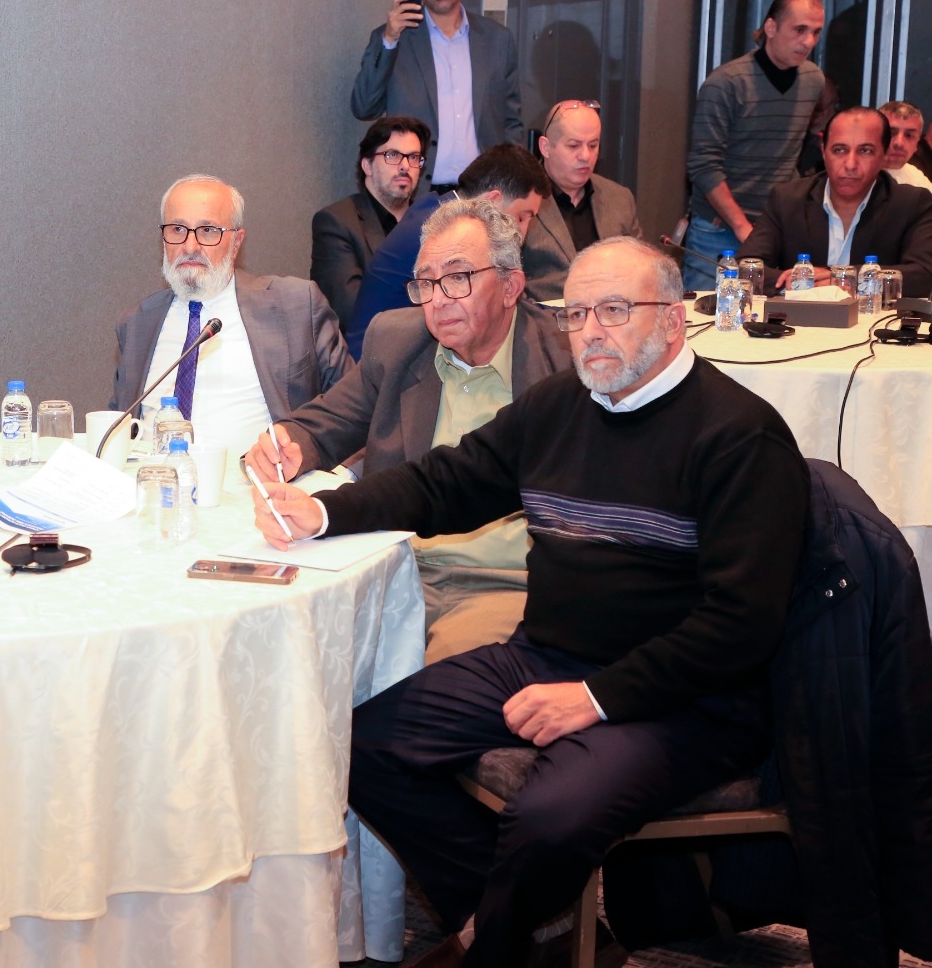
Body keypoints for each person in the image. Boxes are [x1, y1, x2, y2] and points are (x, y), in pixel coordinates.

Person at [252, 237, 809, 966]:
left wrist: (596, 698)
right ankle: (530, 931)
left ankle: (502, 940)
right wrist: (324, 512)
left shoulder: (739, 435)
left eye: (615, 310)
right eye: (576, 313)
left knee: (548, 815)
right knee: (364, 745)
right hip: (546, 655)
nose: (591, 332)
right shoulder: (559, 406)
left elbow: (742, 624)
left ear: (673, 321)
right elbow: (446, 483)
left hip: (690, 700)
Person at [247, 198, 569, 663]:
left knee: (435, 688)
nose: (438, 299)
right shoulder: (398, 340)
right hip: (391, 570)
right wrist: (288, 444)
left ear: (510, 286)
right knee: (288, 659)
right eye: (426, 282)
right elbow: (323, 424)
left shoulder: (564, 358)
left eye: (458, 277)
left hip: (499, 587)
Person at [109, 174, 352, 459]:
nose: (190, 246)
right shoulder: (137, 323)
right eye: (177, 229)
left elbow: (351, 409)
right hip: (155, 480)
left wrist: (340, 475)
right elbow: (117, 425)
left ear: (236, 242)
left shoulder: (296, 306)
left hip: (257, 481)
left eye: (208, 230)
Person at [349, 0, 523, 191]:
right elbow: (364, 108)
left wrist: (511, 181)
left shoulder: (498, 40)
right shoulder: (395, 40)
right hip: (417, 194)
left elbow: (511, 121)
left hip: (482, 193)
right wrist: (389, 40)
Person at [684, 0, 826, 289]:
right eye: (800, 30)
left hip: (776, 226)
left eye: (816, 32)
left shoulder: (813, 79)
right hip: (719, 228)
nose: (809, 41)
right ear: (771, 27)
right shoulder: (726, 83)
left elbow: (794, 153)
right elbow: (703, 165)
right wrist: (741, 226)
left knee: (775, 312)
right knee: (705, 311)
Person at [348, 144, 550, 351]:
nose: (523, 232)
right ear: (492, 201)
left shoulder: (435, 207)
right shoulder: (443, 232)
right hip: (382, 356)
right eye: (521, 217)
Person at [739, 106, 932, 297]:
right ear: (824, 151)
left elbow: (923, 275)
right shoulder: (787, 199)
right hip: (799, 315)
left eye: (865, 151)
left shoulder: (912, 204)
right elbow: (745, 267)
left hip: (872, 316)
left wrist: (841, 279)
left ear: (883, 155)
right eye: (839, 150)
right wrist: (800, 283)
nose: (850, 164)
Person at [310, 116, 434, 332]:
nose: (405, 166)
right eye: (392, 155)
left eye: (414, 157)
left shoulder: (433, 221)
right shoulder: (336, 222)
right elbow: (350, 312)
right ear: (367, 165)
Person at [522, 100, 642, 302]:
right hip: (545, 316)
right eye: (573, 146)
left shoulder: (620, 198)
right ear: (545, 147)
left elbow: (640, 270)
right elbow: (505, 282)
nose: (585, 156)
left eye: (593, 145)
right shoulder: (521, 198)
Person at [881, 100, 932, 193]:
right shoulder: (856, 175)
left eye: (909, 135)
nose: (899, 143)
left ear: (917, 144)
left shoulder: (916, 176)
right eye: (891, 133)